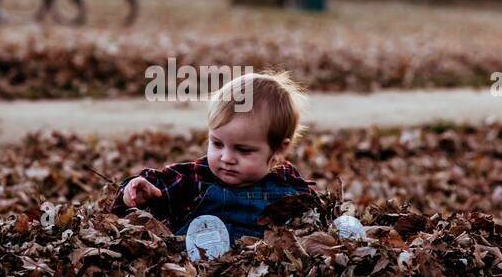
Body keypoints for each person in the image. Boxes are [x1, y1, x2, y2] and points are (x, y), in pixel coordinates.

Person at [112, 70, 364, 259]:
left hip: (262, 266)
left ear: (278, 150)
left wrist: (323, 226)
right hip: (195, 266)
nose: (226, 158)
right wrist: (135, 191)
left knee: (315, 239)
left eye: (243, 150)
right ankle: (207, 249)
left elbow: (310, 216)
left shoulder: (288, 186)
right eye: (217, 144)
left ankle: (344, 238)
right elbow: (154, 192)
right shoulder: (196, 177)